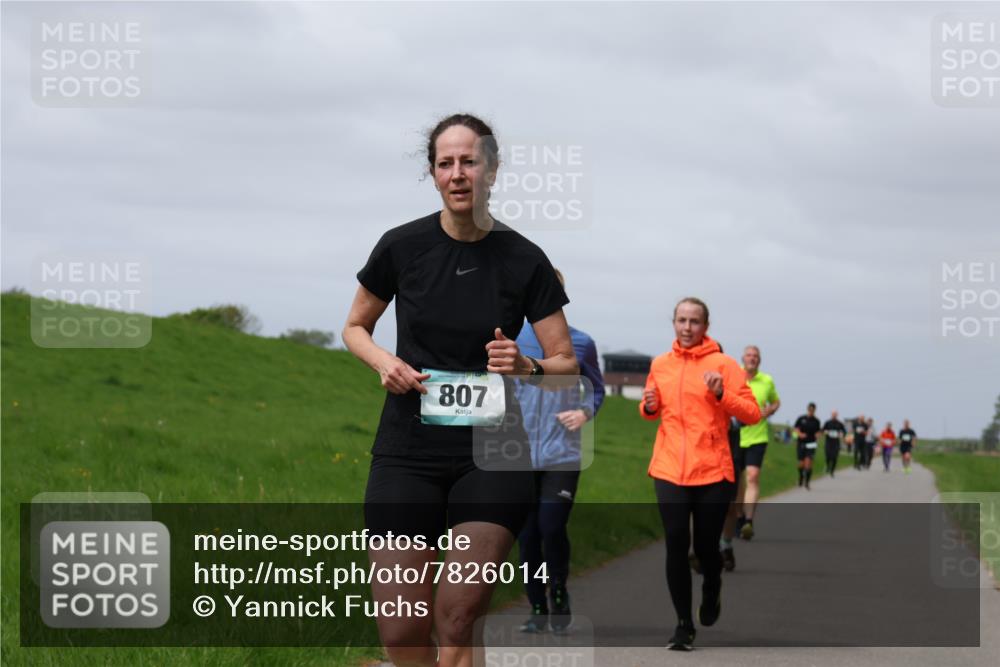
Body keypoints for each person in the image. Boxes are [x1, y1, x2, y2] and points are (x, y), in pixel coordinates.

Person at [342, 113, 579, 667]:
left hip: (493, 451)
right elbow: (355, 327)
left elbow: (566, 364)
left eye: (469, 161)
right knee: (401, 629)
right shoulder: (401, 247)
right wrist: (385, 363)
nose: (457, 173)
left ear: (492, 170)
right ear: (432, 173)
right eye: (445, 163)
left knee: (456, 613)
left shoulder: (524, 259)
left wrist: (527, 366)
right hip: (408, 448)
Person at [640, 297, 761, 651]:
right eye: (681, 320)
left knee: (706, 547)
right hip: (668, 466)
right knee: (676, 542)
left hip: (712, 469)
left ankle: (712, 587)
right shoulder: (660, 364)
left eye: (694, 321)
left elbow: (752, 412)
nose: (687, 327)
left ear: (706, 327)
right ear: (673, 323)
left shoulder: (723, 364)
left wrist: (722, 393)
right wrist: (647, 407)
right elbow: (653, 404)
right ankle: (683, 625)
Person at [515, 270, 606, 635]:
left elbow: (596, 390)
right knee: (527, 536)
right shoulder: (507, 340)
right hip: (516, 453)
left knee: (551, 527)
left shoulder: (580, 342)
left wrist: (584, 412)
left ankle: (559, 591)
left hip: (562, 452)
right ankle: (536, 607)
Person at [724, 345, 780, 548]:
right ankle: (738, 517)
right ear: (743, 358)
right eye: (749, 355)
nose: (752, 358)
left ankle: (748, 520)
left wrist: (770, 410)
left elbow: (776, 402)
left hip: (757, 436)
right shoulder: (734, 375)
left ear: (760, 360)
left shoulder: (767, 381)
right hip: (736, 436)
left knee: (753, 476)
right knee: (737, 480)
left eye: (756, 356)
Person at [794, 403, 821, 489]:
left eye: (812, 410)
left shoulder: (816, 421)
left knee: (808, 463)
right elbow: (796, 428)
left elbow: (818, 431)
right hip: (801, 443)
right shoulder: (801, 418)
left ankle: (807, 482)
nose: (811, 411)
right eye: (809, 410)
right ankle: (801, 477)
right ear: (807, 409)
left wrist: (818, 435)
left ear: (814, 410)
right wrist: (800, 434)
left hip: (811, 444)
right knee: (801, 464)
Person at [822, 411, 847, 477]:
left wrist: (841, 435)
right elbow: (822, 430)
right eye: (833, 415)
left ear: (837, 415)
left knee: (834, 457)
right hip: (828, 442)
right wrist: (825, 432)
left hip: (836, 443)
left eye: (835, 415)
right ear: (831, 415)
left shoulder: (839, 423)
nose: (834, 416)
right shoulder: (827, 422)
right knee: (828, 456)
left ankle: (832, 471)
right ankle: (827, 466)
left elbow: (844, 431)